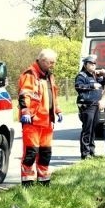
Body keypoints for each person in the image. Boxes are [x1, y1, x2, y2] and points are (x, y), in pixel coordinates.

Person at [18, 48, 63, 186]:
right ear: (42, 61)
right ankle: (27, 183)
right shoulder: (30, 74)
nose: (53, 65)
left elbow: (52, 96)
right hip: (33, 121)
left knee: (45, 153)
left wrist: (57, 110)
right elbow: (24, 94)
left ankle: (44, 181)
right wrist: (25, 111)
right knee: (31, 152)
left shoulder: (49, 76)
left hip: (47, 121)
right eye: (51, 62)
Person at [75, 54, 105, 159]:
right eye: (91, 64)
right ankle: (85, 153)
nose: (93, 65)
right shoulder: (82, 75)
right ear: (85, 64)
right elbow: (78, 86)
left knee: (93, 129)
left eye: (94, 64)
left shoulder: (95, 75)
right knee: (87, 129)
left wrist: (104, 75)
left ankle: (92, 151)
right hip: (87, 105)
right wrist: (91, 86)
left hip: (95, 104)